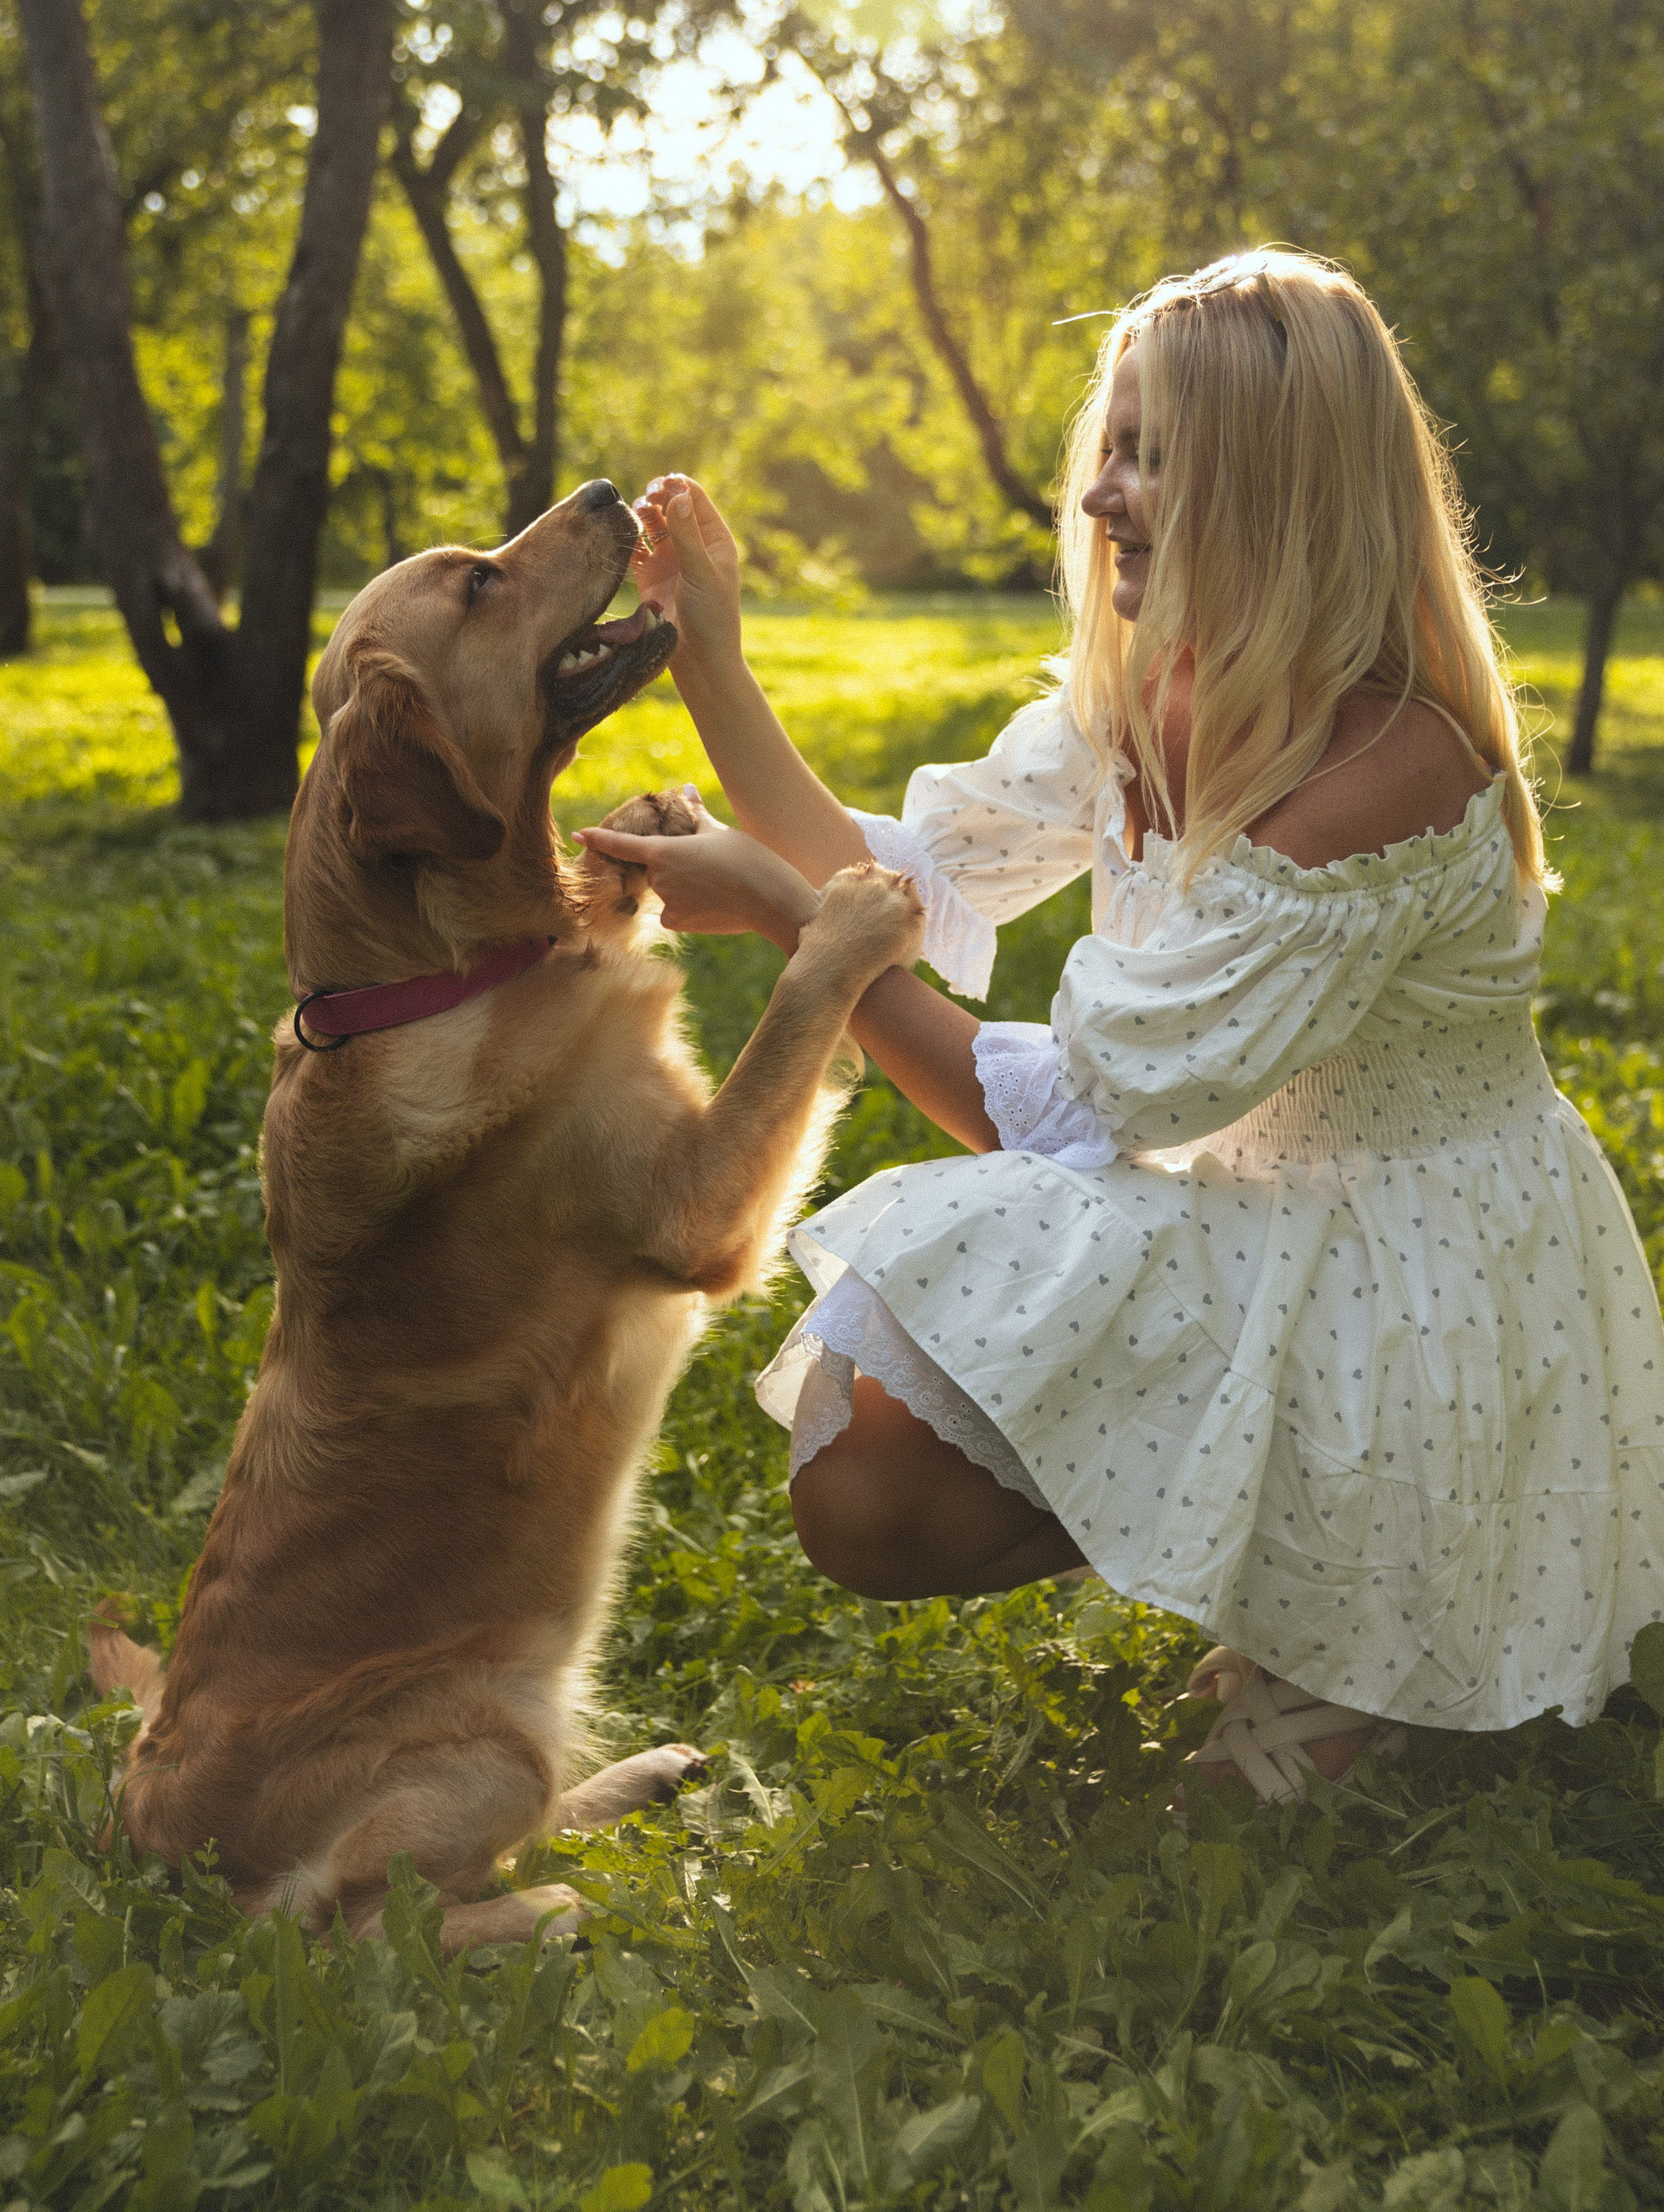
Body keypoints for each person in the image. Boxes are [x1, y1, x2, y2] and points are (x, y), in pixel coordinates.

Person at [579, 247, 1664, 1800]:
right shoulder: (1153, 691)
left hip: (1420, 1275)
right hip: (1253, 1212)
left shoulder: (1384, 781)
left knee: (1238, 1826)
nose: (1103, 495)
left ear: (1281, 487)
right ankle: (1293, 1577)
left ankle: (1370, 1618)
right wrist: (714, 663)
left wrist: (790, 933)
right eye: (1114, 448)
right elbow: (890, 876)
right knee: (868, 1473)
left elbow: (1086, 1106)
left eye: (1156, 458)